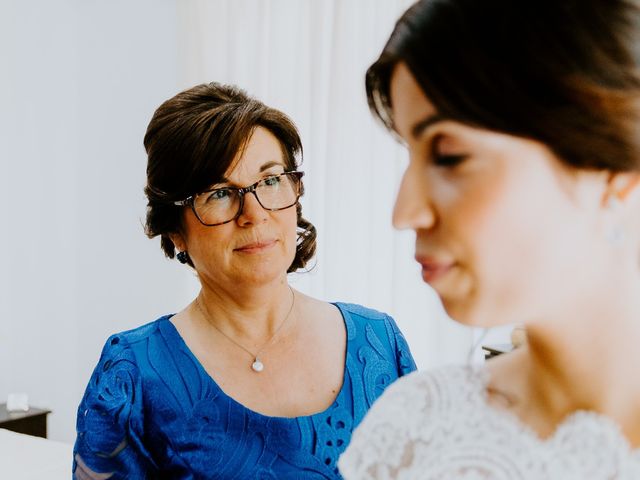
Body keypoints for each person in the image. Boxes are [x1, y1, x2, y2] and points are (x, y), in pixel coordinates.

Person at [339, 0, 640, 478]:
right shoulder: (414, 430)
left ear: (612, 172)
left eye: (450, 155)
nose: (404, 213)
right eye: (409, 154)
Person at [72, 82, 416, 479]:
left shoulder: (379, 345)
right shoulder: (132, 377)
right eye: (219, 192)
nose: (253, 213)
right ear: (175, 230)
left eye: (270, 181)